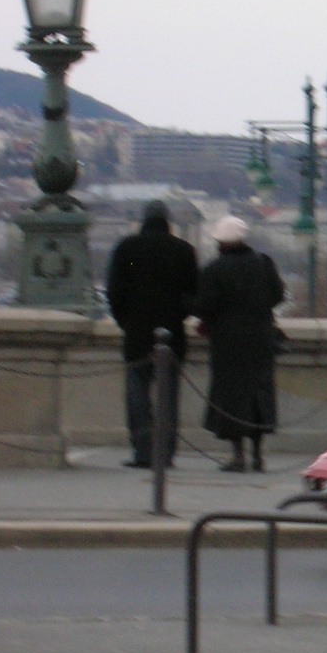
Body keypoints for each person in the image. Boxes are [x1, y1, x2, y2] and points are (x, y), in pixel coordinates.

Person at [104, 200, 198, 468]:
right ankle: (166, 453)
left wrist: (126, 321)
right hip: (171, 335)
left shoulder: (129, 249)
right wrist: (176, 317)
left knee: (137, 397)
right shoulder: (183, 250)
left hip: (136, 333)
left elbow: (115, 291)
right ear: (168, 221)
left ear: (143, 220)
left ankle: (143, 451)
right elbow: (192, 295)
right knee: (168, 398)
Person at [195, 216, 284, 472]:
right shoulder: (263, 263)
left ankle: (238, 455)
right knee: (258, 396)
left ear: (221, 242)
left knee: (231, 398)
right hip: (260, 339)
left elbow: (205, 306)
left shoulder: (215, 269)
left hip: (228, 343)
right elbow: (276, 296)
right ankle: (257, 455)